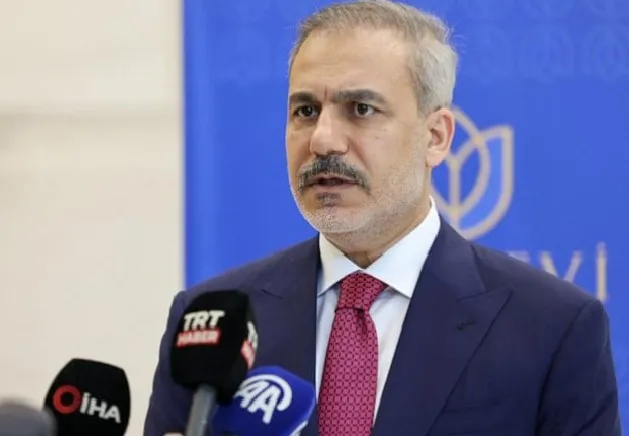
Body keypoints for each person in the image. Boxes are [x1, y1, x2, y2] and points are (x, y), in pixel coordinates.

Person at [144, 1, 621, 435]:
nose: (322, 139)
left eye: (361, 109)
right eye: (306, 110)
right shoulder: (210, 326)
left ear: (436, 136)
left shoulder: (553, 328)